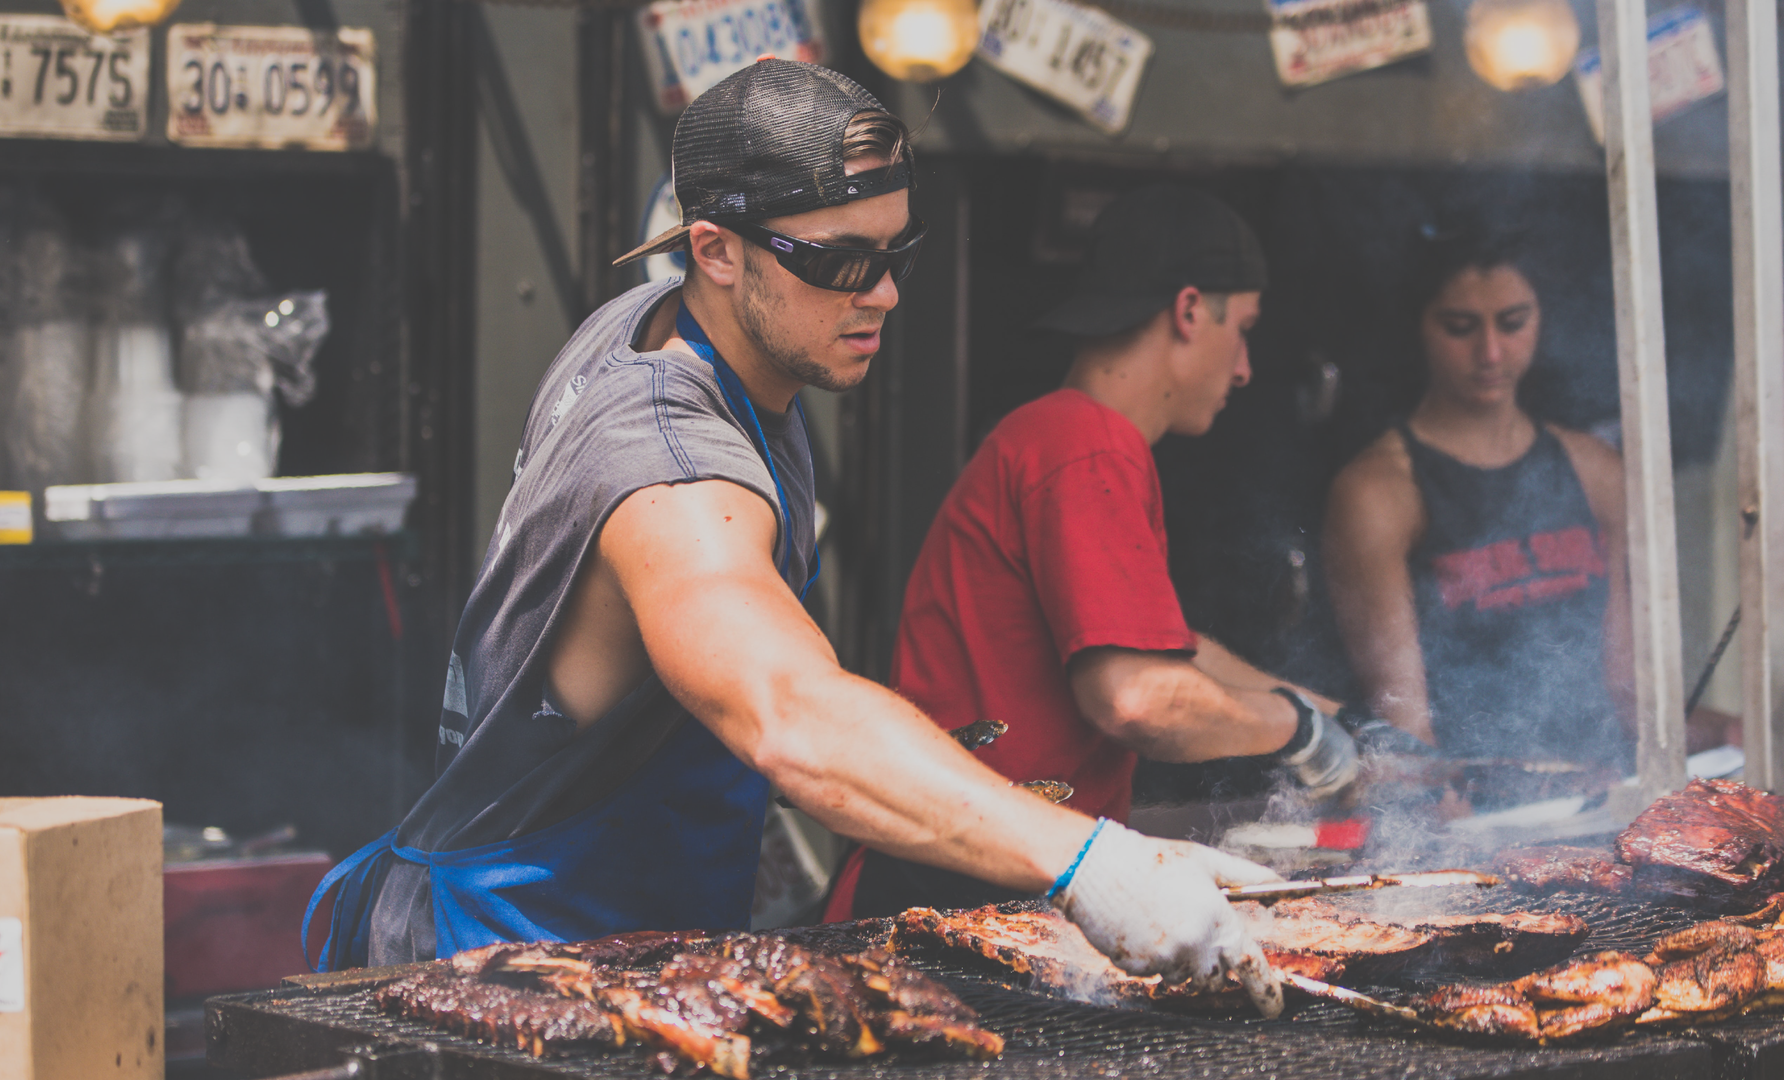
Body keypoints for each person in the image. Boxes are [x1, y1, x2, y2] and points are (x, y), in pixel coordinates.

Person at [303, 60, 1292, 1014]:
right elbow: (789, 711)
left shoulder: (679, 324)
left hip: (635, 946)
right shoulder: (672, 468)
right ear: (715, 249)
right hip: (510, 954)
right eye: (841, 263)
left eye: (895, 253)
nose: (884, 295)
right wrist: (1091, 860)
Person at [825, 184, 1363, 919]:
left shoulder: (1063, 436)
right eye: (1243, 329)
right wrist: (1303, 733)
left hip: (981, 882)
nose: (1244, 368)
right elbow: (1138, 698)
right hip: (957, 895)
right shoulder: (1085, 443)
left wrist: (1351, 721)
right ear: (1188, 311)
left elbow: (1173, 654)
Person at [1322, 222, 1633, 772]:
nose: (1490, 351)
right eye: (1460, 327)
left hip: (1602, 794)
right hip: (1473, 808)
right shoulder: (1379, 491)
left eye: (1513, 323)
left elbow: (1627, 686)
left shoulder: (1597, 472)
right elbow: (1405, 728)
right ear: (1420, 327)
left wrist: (1726, 731)